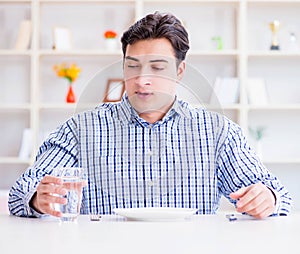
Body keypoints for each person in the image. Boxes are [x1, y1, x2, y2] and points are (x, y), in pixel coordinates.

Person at [9, 12, 292, 219]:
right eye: (133, 67)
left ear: (180, 72)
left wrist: (267, 198)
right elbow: (20, 193)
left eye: (157, 68)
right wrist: (37, 199)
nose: (142, 79)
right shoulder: (80, 130)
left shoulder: (217, 132)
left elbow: (277, 194)